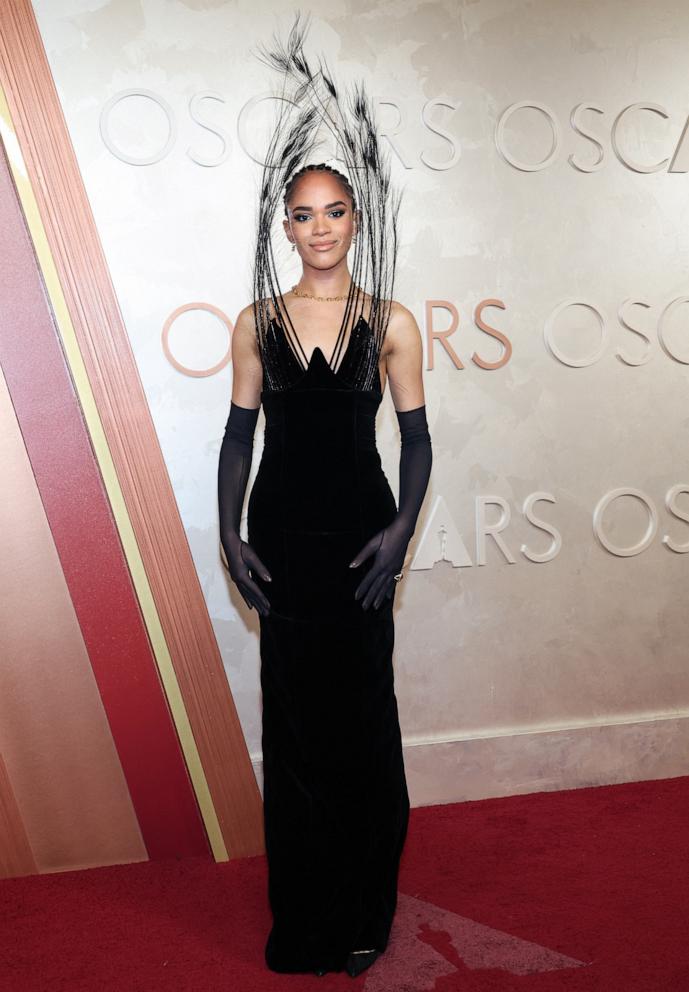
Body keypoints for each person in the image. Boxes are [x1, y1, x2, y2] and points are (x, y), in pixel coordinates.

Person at [218, 16, 432, 979]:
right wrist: (229, 534)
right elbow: (238, 436)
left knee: (361, 724)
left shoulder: (390, 322)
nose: (317, 228)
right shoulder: (255, 323)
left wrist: (397, 537)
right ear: (285, 226)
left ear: (358, 220)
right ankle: (302, 920)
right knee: (291, 728)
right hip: (283, 546)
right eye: (300, 214)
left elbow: (418, 442)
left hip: (359, 546)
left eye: (333, 212)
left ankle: (361, 914)